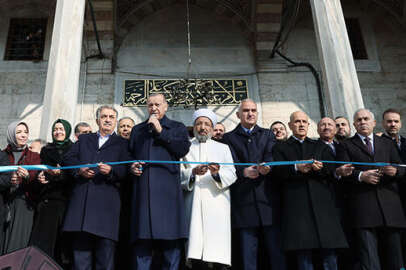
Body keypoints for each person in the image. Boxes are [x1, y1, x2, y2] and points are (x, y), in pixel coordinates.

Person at [273, 112, 347, 270]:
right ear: (291, 125)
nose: (301, 124)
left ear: (308, 125)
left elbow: (331, 169)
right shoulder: (281, 147)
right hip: (297, 206)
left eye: (304, 122)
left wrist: (318, 168)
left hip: (322, 205)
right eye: (297, 122)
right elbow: (277, 172)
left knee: (329, 253)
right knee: (304, 255)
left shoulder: (319, 145)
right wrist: (296, 167)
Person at [336, 108, 406, 270]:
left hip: (390, 208)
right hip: (363, 209)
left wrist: (395, 171)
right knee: (369, 259)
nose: (362, 122)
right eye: (359, 120)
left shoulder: (387, 143)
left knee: (395, 258)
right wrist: (361, 176)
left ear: (374, 123)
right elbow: (343, 171)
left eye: (366, 119)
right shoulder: (345, 145)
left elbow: (401, 167)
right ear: (354, 124)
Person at [62, 105, 130, 270]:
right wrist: (80, 169)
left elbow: (127, 169)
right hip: (82, 209)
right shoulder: (85, 139)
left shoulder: (123, 144)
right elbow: (67, 160)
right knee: (80, 260)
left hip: (106, 210)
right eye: (104, 116)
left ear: (116, 121)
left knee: (105, 260)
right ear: (97, 119)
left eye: (111, 117)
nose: (107, 119)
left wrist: (112, 171)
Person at [222, 99, 286, 270]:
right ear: (238, 115)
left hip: (268, 201)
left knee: (276, 252)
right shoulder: (228, 138)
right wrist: (242, 172)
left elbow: (271, 155)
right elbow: (229, 164)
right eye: (246, 110)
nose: (250, 113)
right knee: (247, 255)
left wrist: (268, 167)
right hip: (243, 203)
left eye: (253, 110)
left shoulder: (267, 135)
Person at [129, 93, 191, 270]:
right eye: (150, 105)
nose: (153, 108)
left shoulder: (177, 128)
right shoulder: (138, 130)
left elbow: (182, 149)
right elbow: (130, 155)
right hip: (144, 196)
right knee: (142, 250)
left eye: (157, 104)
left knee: (171, 250)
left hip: (168, 196)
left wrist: (161, 132)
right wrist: (131, 167)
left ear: (166, 106)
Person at [181, 109, 236, 269]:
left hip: (217, 204)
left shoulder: (223, 148)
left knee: (217, 252)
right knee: (195, 252)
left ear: (212, 128)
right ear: (194, 127)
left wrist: (217, 174)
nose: (202, 127)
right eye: (199, 124)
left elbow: (232, 173)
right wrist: (192, 172)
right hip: (193, 204)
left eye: (206, 124)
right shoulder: (185, 148)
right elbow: (179, 175)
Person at [29, 119, 73, 264]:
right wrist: (42, 178)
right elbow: (41, 169)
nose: (58, 132)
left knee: (61, 247)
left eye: (61, 129)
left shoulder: (74, 149)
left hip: (66, 200)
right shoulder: (46, 150)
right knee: (43, 243)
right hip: (47, 200)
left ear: (67, 131)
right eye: (55, 129)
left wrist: (59, 175)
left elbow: (74, 174)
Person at [1, 121, 40, 254]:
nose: (23, 135)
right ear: (11, 135)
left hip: (24, 204)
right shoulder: (3, 155)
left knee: (17, 245)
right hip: (4, 202)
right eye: (19, 132)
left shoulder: (34, 156)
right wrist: (7, 180)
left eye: (25, 132)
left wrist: (28, 176)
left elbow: (37, 180)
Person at [380, 108, 406, 264]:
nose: (392, 124)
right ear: (383, 124)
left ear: (401, 123)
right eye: (389, 121)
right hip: (389, 196)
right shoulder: (378, 143)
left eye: (396, 121)